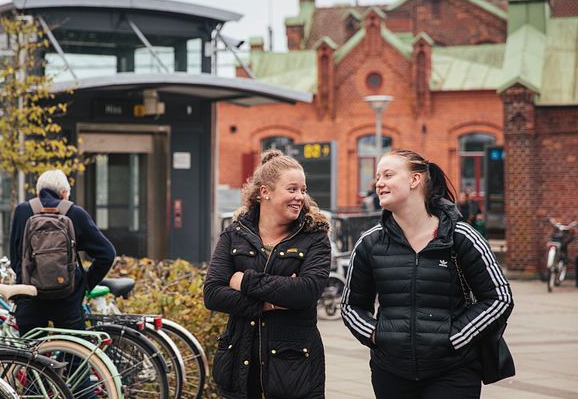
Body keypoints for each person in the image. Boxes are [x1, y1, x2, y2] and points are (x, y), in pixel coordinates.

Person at [340, 149, 514, 399]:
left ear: (415, 180)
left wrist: (455, 338)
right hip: (390, 372)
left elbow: (500, 298)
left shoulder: (460, 237)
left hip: (453, 371)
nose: (379, 183)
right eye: (378, 176)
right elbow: (351, 306)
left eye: (388, 175)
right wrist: (377, 335)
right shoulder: (370, 243)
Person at [204, 150, 331, 399]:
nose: (300, 197)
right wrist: (269, 303)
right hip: (240, 364)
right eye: (292, 189)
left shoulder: (315, 238)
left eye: (303, 190)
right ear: (265, 192)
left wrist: (244, 280)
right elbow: (213, 294)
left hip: (294, 370)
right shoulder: (234, 234)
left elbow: (306, 292)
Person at [9, 169, 115, 398]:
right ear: (65, 193)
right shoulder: (75, 213)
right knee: (77, 366)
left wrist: (26, 284)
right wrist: (83, 285)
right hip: (67, 299)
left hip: (30, 298)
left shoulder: (22, 211)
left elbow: (15, 258)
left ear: (38, 192)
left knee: (34, 366)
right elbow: (107, 253)